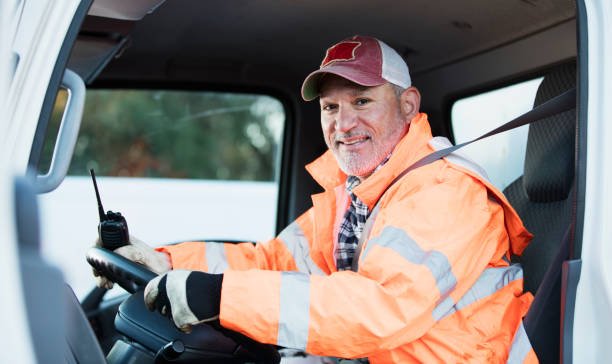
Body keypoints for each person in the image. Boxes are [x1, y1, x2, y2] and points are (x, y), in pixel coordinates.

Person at [94, 35, 538, 363]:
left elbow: (379, 308)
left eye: (362, 101)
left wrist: (222, 296)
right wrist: (167, 262)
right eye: (330, 107)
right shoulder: (357, 194)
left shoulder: (445, 191)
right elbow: (272, 261)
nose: (343, 125)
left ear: (408, 105)